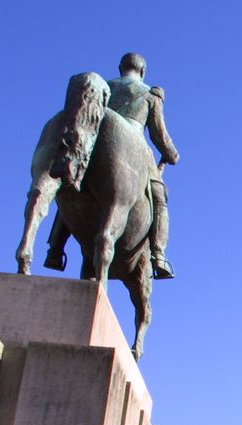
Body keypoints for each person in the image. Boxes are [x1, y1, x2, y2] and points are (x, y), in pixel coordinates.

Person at [43, 52, 180, 279]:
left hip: (93, 141)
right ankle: (159, 255)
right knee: (159, 197)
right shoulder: (149, 94)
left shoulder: (103, 88)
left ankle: (55, 248)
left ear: (120, 68)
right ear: (142, 71)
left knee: (71, 182)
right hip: (136, 149)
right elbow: (160, 136)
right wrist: (172, 155)